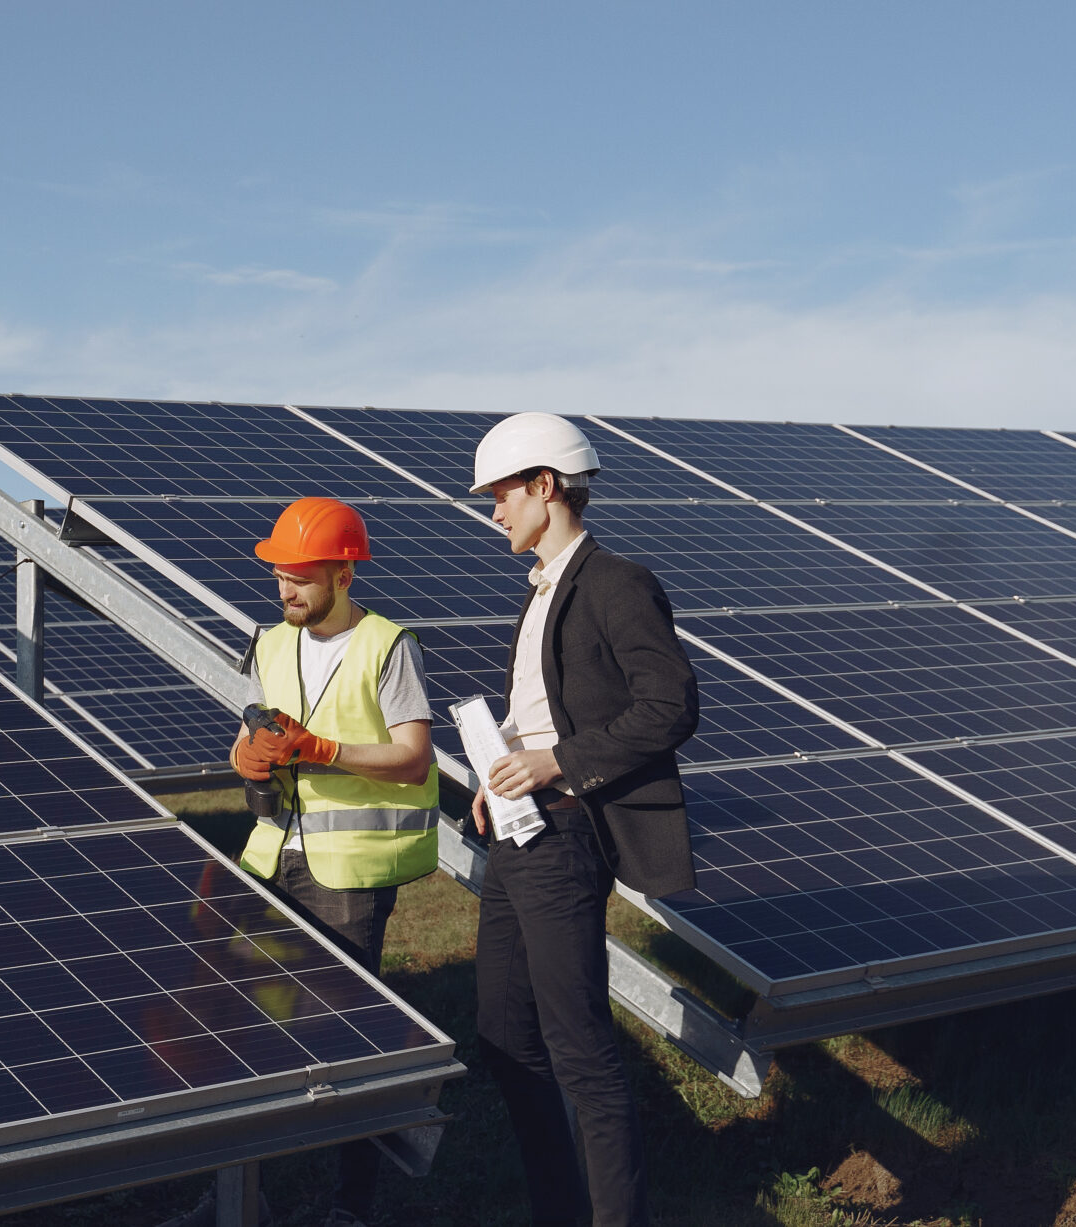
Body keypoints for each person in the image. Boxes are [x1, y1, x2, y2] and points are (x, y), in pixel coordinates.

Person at [152, 496, 438, 1227]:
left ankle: (349, 1208)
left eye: (302, 576)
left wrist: (321, 749)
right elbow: (246, 737)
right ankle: (239, 1200)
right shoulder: (268, 642)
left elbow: (412, 759)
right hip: (270, 858)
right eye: (279, 574)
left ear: (344, 572)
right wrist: (247, 757)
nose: (286, 589)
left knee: (349, 1035)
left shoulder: (387, 645)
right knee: (233, 1024)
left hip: (350, 875)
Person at [468, 413, 697, 1227]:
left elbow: (671, 706)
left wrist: (555, 760)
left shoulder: (615, 581)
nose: (493, 510)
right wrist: (501, 776)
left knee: (580, 1049)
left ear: (544, 486)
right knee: (500, 1027)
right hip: (518, 827)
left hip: (568, 833)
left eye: (500, 493)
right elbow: (543, 710)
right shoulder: (539, 591)